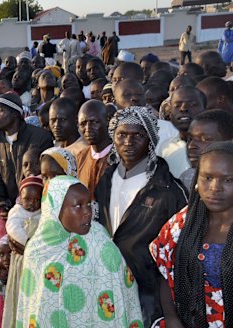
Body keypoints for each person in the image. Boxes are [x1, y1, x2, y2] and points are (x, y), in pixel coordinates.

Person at [94, 106, 188, 326]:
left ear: (151, 140)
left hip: (149, 294)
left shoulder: (168, 190)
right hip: (108, 286)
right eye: (122, 135)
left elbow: (177, 252)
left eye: (139, 135)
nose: (129, 142)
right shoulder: (105, 180)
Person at [16, 175, 143, 327]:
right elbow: (31, 306)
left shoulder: (100, 244)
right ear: (55, 209)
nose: (87, 212)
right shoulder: (36, 251)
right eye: (78, 206)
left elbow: (122, 292)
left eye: (88, 204)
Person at [150, 141, 233, 327]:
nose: (215, 187)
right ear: (196, 181)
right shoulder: (181, 223)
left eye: (228, 180)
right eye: (207, 178)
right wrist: (172, 319)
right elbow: (165, 273)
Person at [0, 92, 51, 217]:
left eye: (0, 110)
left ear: (15, 114)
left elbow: (47, 177)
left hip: (36, 208)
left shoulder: (40, 138)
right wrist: (3, 202)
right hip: (12, 210)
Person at [3, 176, 42, 328]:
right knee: (20, 295)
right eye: (27, 199)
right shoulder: (17, 211)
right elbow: (13, 229)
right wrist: (27, 244)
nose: (32, 204)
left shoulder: (43, 213)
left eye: (36, 200)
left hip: (37, 263)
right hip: (21, 263)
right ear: (21, 198)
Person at [75, 100, 112, 198]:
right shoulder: (81, 156)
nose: (88, 128)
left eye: (94, 122)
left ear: (107, 121)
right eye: (83, 124)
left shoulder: (119, 156)